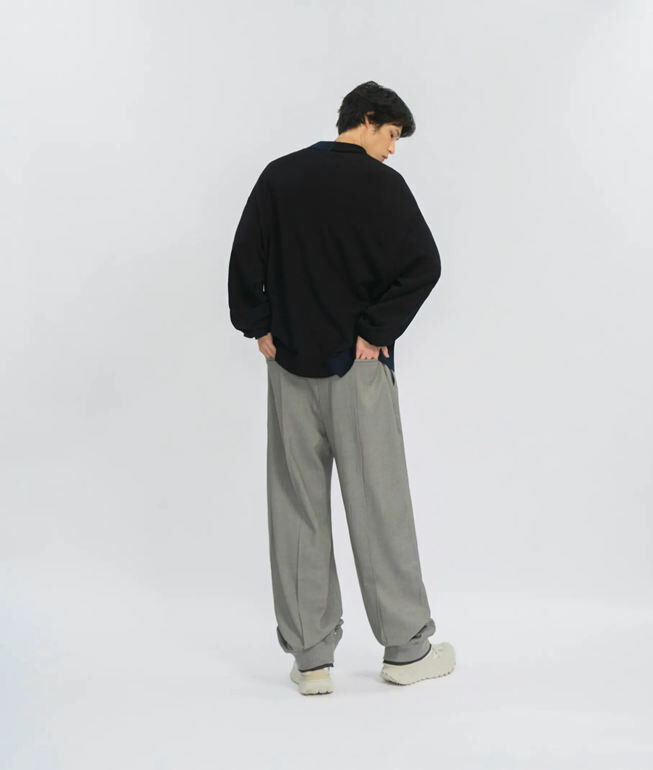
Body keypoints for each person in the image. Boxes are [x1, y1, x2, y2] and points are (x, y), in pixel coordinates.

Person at [227, 80, 456, 695]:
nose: (392, 149)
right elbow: (425, 264)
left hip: (290, 367)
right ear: (369, 118)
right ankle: (406, 650)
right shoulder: (383, 186)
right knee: (379, 501)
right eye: (391, 135)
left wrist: (259, 326)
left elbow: (244, 258)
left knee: (296, 505)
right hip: (357, 373)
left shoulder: (280, 177)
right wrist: (375, 331)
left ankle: (311, 660)